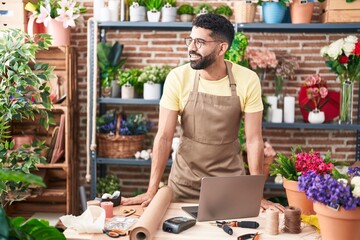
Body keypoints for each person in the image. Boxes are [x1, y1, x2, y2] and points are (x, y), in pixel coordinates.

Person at [122, 13, 285, 212]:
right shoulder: (178, 78)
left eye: (199, 42)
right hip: (184, 184)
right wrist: (151, 190)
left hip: (230, 186)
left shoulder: (247, 80)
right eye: (190, 40)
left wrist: (256, 193)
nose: (191, 48)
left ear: (221, 48)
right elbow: (164, 137)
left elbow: (253, 140)